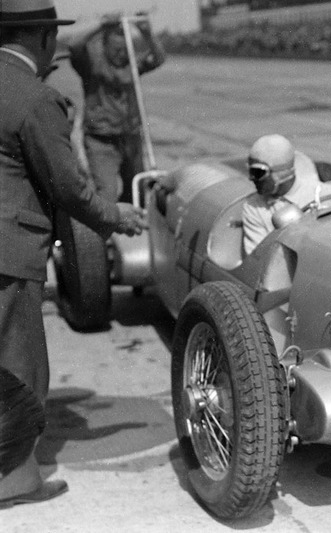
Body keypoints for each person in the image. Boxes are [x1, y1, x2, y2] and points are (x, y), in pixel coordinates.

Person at [0, 0, 147, 508]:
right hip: (7, 253)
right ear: (41, 36)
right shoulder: (35, 98)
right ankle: (14, 480)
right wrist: (116, 217)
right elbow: (67, 187)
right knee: (19, 370)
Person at [68, 12, 166, 203]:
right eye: (116, 50)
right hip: (101, 141)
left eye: (124, 51)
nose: (120, 56)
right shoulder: (90, 64)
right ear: (105, 45)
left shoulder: (131, 65)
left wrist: (147, 33)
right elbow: (74, 46)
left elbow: (158, 58)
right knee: (107, 195)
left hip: (130, 137)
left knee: (137, 192)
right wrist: (101, 25)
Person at [242, 135, 321, 254]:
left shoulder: (329, 194)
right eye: (250, 171)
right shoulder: (254, 207)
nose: (251, 178)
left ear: (281, 173)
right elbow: (259, 258)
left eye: (257, 172)